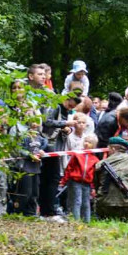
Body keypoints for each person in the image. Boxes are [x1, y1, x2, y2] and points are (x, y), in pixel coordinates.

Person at [40, 89, 82, 220]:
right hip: (48, 146)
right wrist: (65, 123)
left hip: (55, 147)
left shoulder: (63, 110)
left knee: (52, 178)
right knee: (52, 178)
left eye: (73, 108)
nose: (70, 109)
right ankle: (49, 208)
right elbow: (47, 122)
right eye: (70, 105)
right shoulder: (55, 106)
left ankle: (48, 208)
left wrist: (66, 129)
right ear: (67, 99)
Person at [60, 132, 99, 222]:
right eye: (85, 141)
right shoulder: (77, 155)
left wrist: (93, 187)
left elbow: (94, 174)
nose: (86, 143)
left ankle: (86, 221)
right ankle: (75, 220)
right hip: (75, 181)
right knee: (76, 201)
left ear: (93, 145)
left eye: (89, 142)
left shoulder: (95, 159)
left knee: (86, 203)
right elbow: (69, 168)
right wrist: (64, 180)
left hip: (87, 183)